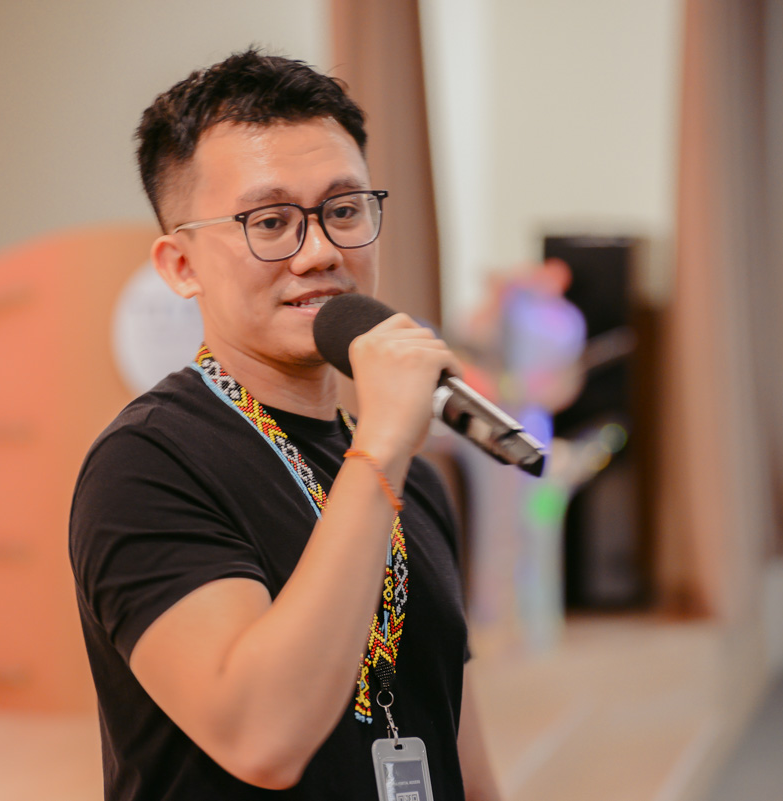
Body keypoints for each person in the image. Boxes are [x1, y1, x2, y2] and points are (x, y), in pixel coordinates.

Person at [68, 49, 501, 801]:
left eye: (345, 210)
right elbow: (261, 736)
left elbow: (461, 754)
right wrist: (382, 448)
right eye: (270, 222)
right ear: (180, 266)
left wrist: (384, 453)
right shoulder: (147, 464)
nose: (322, 252)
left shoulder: (412, 479)